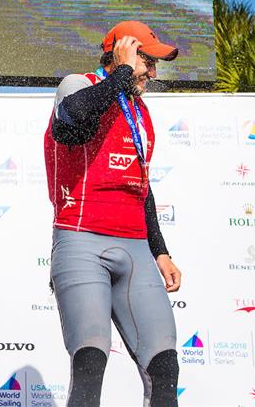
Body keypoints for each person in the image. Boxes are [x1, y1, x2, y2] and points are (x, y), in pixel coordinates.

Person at [44, 21, 183, 407]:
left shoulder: (139, 111)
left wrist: (161, 250)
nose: (153, 73)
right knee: (91, 362)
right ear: (121, 51)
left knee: (164, 366)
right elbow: (73, 124)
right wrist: (122, 72)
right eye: (147, 61)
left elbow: (141, 185)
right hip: (82, 241)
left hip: (136, 247)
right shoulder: (78, 84)